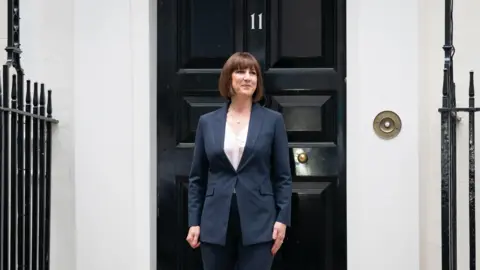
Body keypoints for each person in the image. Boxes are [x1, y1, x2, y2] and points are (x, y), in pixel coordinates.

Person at [186, 52, 292, 270]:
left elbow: (283, 176)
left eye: (253, 73)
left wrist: (282, 219)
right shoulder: (207, 122)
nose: (247, 77)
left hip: (260, 221)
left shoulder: (273, 121)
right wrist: (194, 221)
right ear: (228, 79)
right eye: (240, 71)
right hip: (215, 222)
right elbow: (197, 177)